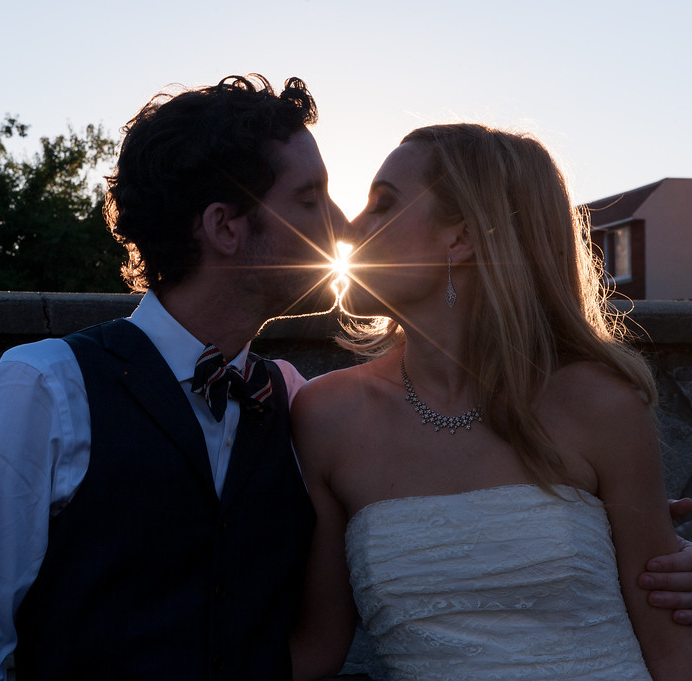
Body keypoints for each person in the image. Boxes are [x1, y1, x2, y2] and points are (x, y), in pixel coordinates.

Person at [0, 74, 346, 681]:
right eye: (311, 199)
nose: (340, 224)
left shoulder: (296, 399)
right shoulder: (43, 390)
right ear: (225, 226)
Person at [290, 123, 692, 680]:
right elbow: (313, 650)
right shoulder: (326, 417)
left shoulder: (600, 405)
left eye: (382, 205)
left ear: (461, 237)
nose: (348, 230)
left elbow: (671, 645)